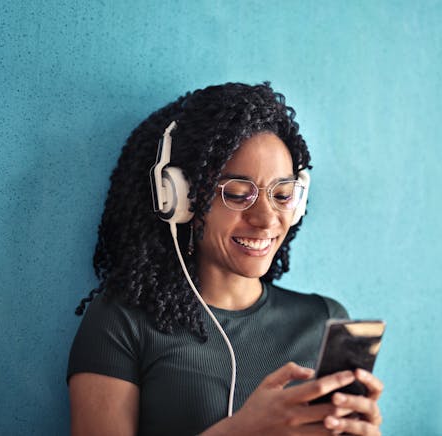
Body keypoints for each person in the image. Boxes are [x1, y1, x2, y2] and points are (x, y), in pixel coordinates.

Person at [67, 82, 384, 435]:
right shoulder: (122, 322)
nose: (265, 219)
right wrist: (241, 430)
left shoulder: (325, 321)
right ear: (179, 199)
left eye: (282, 194)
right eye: (237, 193)